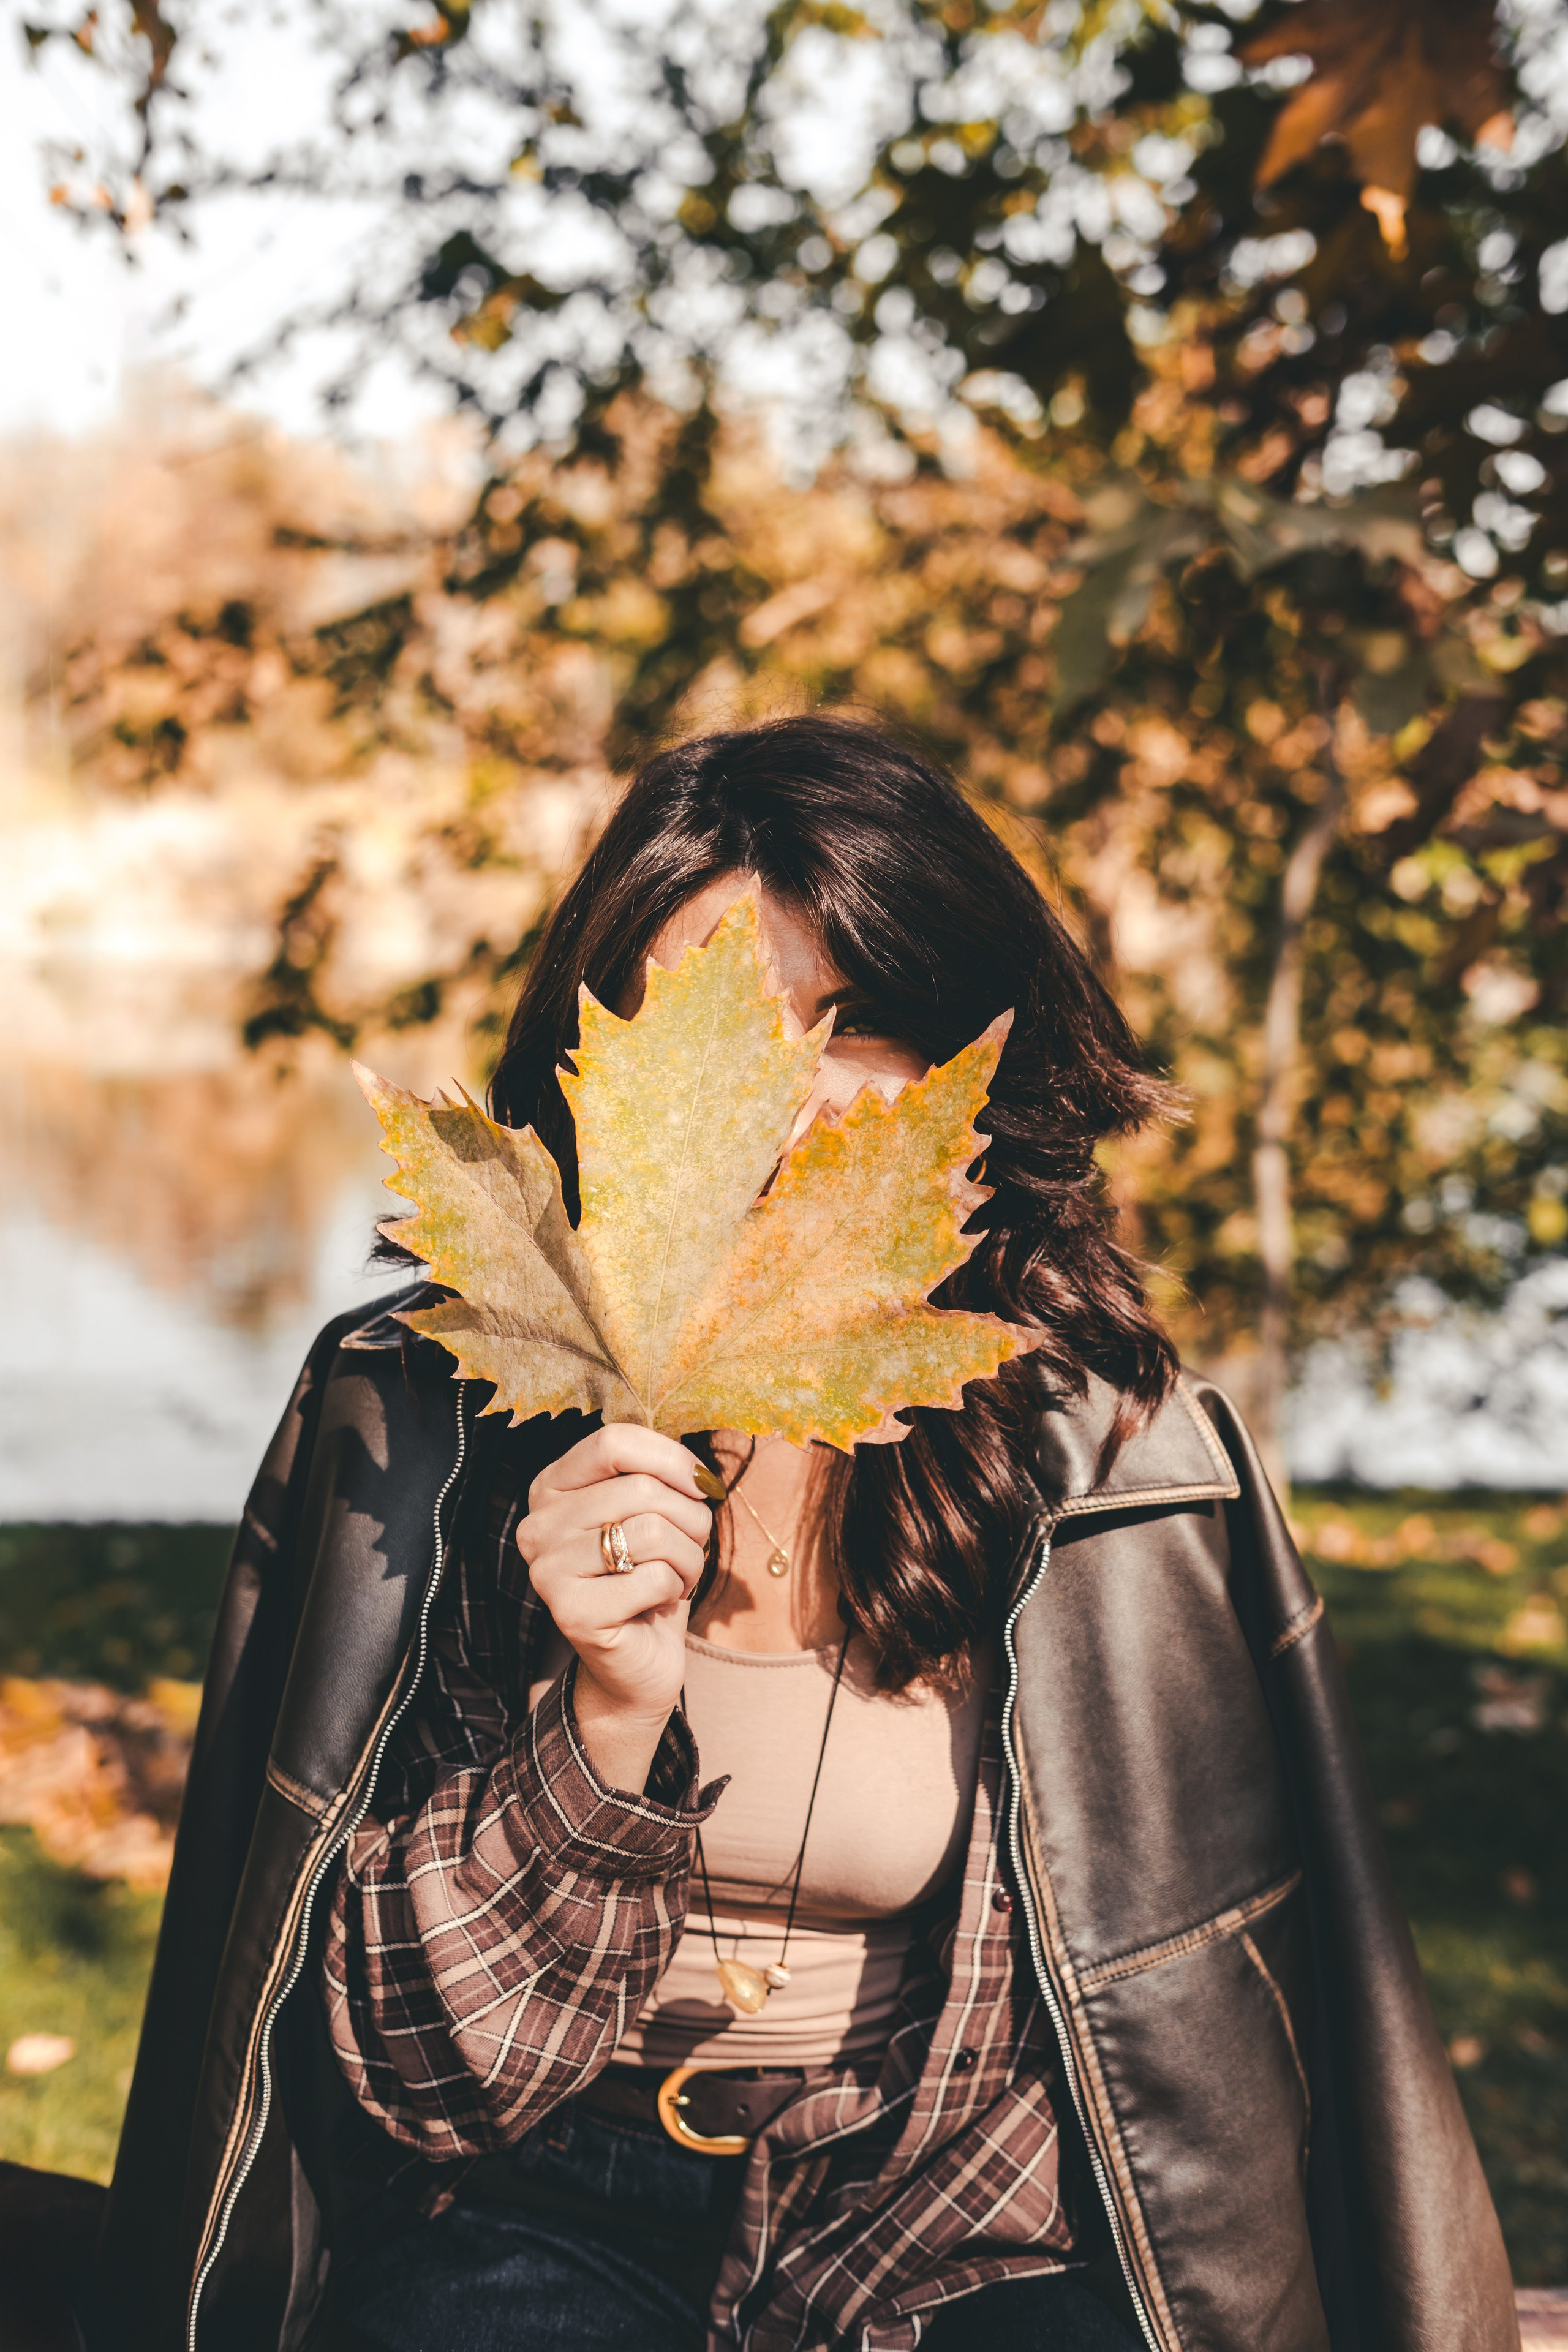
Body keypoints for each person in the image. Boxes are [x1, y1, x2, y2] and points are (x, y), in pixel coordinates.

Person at [87, 716, 1518, 2352]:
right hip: (538, 2195)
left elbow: (1252, 2040)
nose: (783, 1104)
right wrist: (603, 1726)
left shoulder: (1123, 1459)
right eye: (710, 1031)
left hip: (968, 2194)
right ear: (590, 1060)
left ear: (973, 1065)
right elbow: (414, 2073)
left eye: (863, 1024)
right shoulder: (424, 1424)